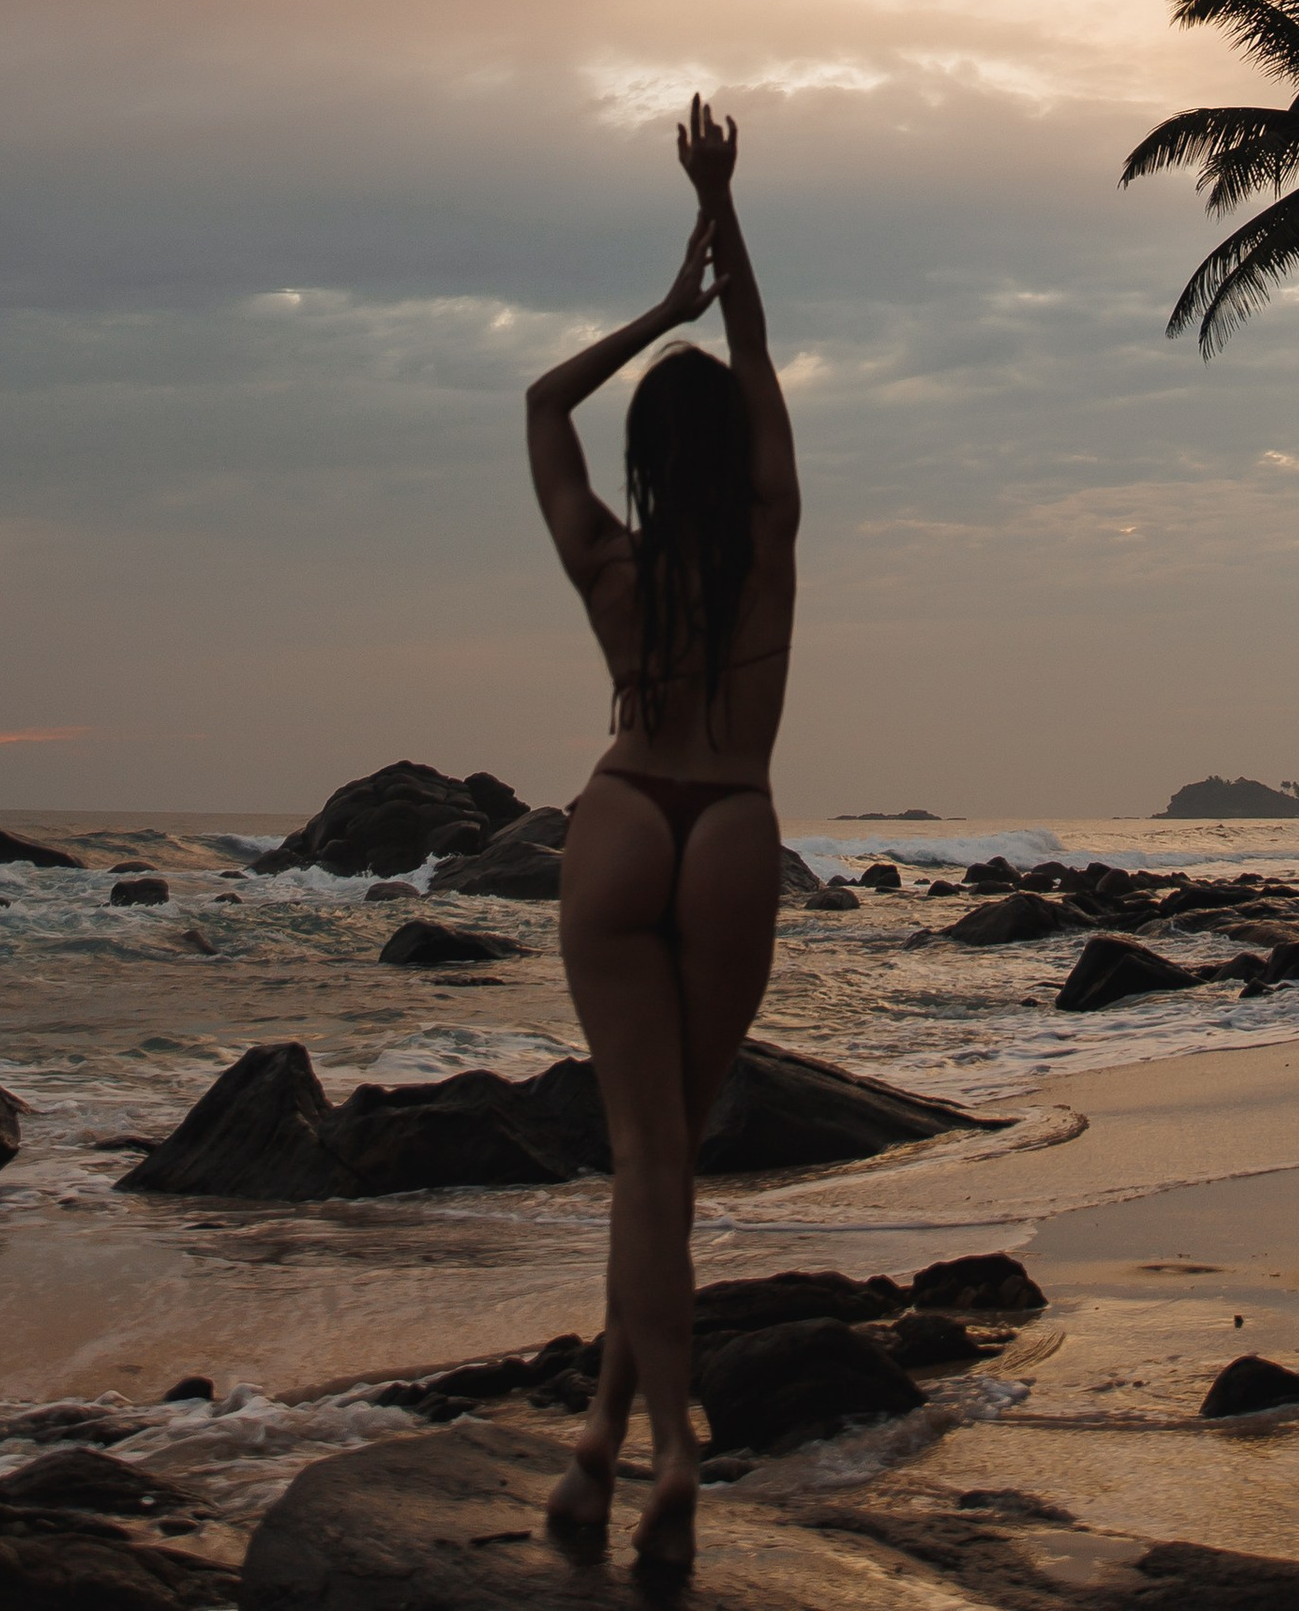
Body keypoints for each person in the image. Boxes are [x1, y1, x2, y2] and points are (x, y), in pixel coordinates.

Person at [524, 97, 796, 1573]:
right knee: (669, 1164)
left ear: (646, 456)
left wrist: (656, 307)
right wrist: (724, 217)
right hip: (734, 818)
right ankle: (644, 1454)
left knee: (647, 1165)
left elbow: (537, 410)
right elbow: (757, 356)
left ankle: (621, 1452)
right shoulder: (773, 538)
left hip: (625, 813)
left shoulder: (612, 567)